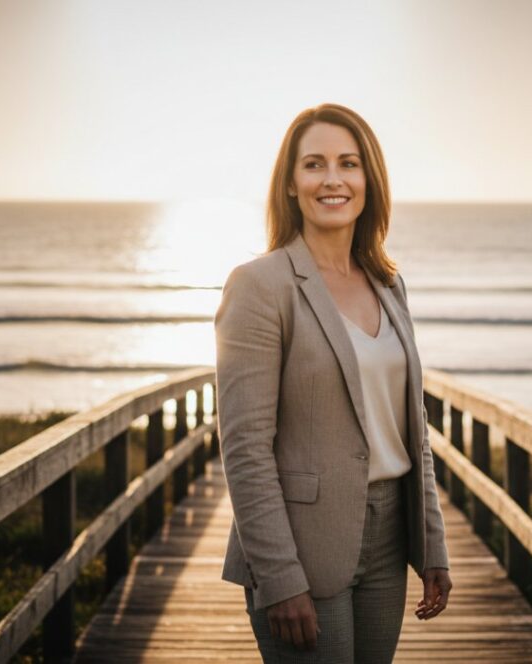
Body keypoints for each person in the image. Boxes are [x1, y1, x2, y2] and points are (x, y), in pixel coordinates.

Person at [214, 102, 452, 663]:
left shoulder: (389, 285)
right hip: (301, 542)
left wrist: (433, 544)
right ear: (292, 184)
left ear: (368, 180)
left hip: (391, 534)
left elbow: (413, 428)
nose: (333, 179)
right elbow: (244, 448)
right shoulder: (260, 286)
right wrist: (278, 576)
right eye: (314, 165)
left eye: (348, 163)